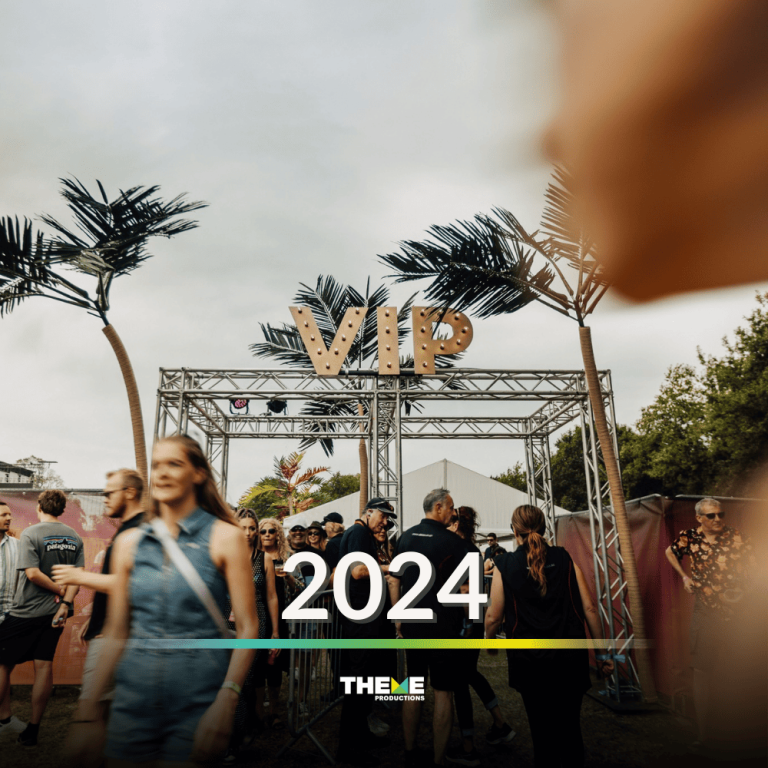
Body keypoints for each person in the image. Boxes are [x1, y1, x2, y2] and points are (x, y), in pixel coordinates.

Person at [69, 435, 258, 766]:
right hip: (133, 703)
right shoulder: (129, 542)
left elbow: (247, 627)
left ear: (198, 473)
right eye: (157, 465)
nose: (163, 473)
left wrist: (227, 701)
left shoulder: (226, 537)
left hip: (196, 703)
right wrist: (88, 712)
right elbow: (117, 631)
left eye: (175, 464)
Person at [485, 504, 614, 768]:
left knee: (542, 734)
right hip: (570, 659)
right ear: (544, 529)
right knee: (570, 731)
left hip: (529, 663)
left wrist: (489, 642)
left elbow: (493, 617)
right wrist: (602, 655)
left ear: (514, 531)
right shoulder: (565, 558)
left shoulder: (504, 564)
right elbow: (590, 609)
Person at [52, 468, 145, 743]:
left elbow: (132, 584)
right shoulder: (128, 529)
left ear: (130, 492)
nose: (105, 498)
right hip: (109, 633)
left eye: (109, 493)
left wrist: (79, 577)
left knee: (90, 713)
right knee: (107, 716)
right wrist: (95, 620)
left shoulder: (138, 531)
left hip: (117, 639)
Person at [389, 489, 469, 768]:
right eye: (451, 507)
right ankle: (438, 759)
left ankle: (410, 752)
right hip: (444, 626)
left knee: (413, 685)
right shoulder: (454, 542)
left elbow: (394, 580)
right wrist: (471, 622)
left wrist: (398, 616)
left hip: (413, 623)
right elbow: (464, 589)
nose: (454, 513)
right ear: (438, 507)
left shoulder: (405, 537)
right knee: (443, 691)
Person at [665, 497, 754, 747]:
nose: (717, 519)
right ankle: (703, 734)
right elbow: (669, 552)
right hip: (706, 611)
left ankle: (745, 730)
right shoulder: (689, 537)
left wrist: (745, 591)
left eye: (720, 514)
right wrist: (684, 577)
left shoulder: (737, 537)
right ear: (699, 518)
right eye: (711, 515)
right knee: (702, 670)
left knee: (745, 667)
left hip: (739, 612)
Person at [0, 489, 84, 747]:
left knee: (1, 664)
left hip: (26, 611)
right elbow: (78, 577)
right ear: (62, 509)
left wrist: (58, 591)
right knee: (44, 667)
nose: (8, 518)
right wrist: (65, 603)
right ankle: (32, 731)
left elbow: (33, 574)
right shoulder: (74, 536)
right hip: (57, 613)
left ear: (39, 506)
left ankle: (6, 721)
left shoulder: (30, 534)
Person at [446, 507, 515, 767]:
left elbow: (465, 591)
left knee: (460, 682)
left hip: (463, 624)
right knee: (471, 674)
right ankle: (500, 724)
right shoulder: (474, 551)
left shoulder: (457, 550)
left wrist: (465, 624)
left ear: (455, 525)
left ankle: (468, 747)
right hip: (473, 622)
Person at [336, 497, 396, 767]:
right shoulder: (358, 533)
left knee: (365, 683)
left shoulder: (363, 534)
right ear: (369, 512)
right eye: (382, 516)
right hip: (359, 620)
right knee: (358, 685)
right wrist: (390, 568)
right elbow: (359, 571)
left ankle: (362, 737)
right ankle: (349, 750)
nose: (385, 522)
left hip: (366, 619)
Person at [221, 509, 281, 763]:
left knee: (245, 680)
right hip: (227, 624)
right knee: (228, 679)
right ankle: (238, 731)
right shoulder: (225, 555)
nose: (248, 533)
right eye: (243, 527)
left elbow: (271, 596)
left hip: (255, 626)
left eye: (252, 528)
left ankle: (237, 739)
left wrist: (275, 633)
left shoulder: (263, 558)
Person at [0, 499, 25, 739]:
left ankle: (5, 719)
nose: (8, 518)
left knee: (4, 669)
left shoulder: (18, 546)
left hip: (9, 616)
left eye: (9, 514)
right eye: (3, 515)